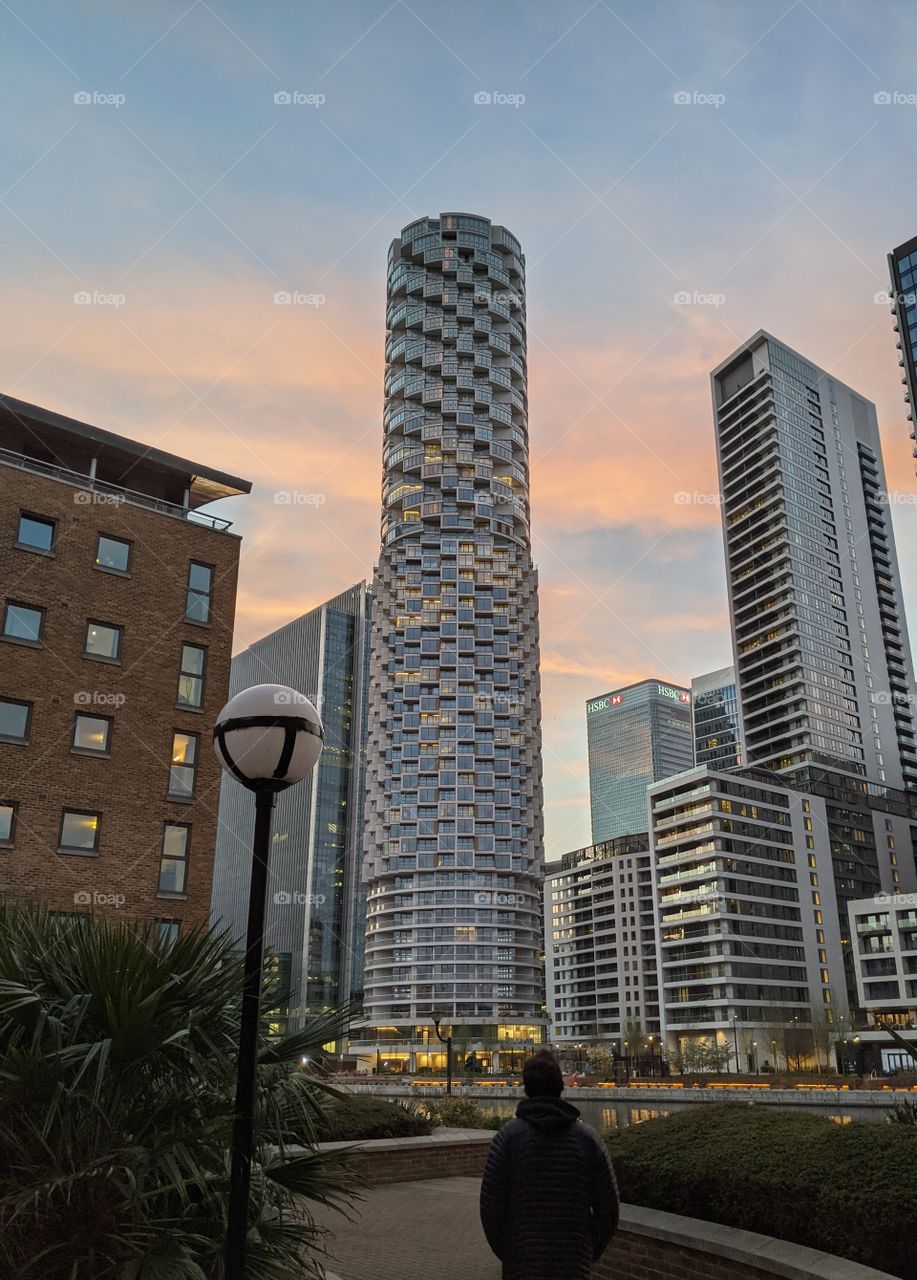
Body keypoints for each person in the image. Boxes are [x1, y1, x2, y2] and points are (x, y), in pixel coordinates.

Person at [480, 1049, 619, 1280]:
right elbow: (609, 1210)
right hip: (574, 1264)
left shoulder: (507, 1139)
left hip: (521, 1264)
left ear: (526, 1088)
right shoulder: (588, 1140)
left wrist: (511, 1252)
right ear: (560, 1086)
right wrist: (586, 1251)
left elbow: (490, 1209)